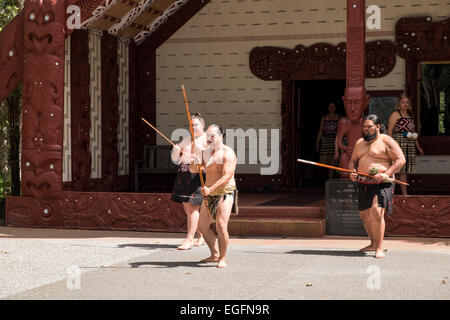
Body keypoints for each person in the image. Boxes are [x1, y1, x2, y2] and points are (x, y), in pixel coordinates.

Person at [349, 114, 406, 259]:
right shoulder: (360, 143)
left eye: (369, 127)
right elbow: (352, 161)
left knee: (376, 211)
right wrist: (352, 172)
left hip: (382, 182)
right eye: (364, 127)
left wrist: (387, 173)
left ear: (378, 127)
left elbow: (401, 160)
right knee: (364, 214)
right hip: (363, 182)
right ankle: (373, 243)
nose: (366, 130)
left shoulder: (387, 141)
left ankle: (379, 248)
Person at [193, 124, 238, 269]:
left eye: (213, 135)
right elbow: (194, 169)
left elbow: (226, 176)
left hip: (225, 192)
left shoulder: (227, 153)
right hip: (209, 192)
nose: (210, 138)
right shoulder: (206, 152)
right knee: (203, 226)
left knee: (220, 225)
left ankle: (223, 258)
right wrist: (195, 159)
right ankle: (214, 254)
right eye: (208, 135)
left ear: (220, 136)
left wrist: (210, 188)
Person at [171, 113, 207, 250]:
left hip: (198, 174)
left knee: (193, 207)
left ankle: (189, 239)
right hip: (183, 173)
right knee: (187, 207)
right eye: (191, 125)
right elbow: (176, 159)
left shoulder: (206, 140)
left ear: (202, 125)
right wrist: (176, 151)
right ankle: (202, 235)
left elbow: (211, 157)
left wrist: (198, 159)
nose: (193, 127)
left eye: (196, 125)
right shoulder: (186, 140)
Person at [387, 94, 424, 195]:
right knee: (395, 168)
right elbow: (389, 132)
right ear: (399, 104)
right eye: (403, 102)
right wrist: (390, 146)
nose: (405, 104)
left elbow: (413, 132)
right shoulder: (395, 114)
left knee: (404, 170)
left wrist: (418, 146)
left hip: (409, 144)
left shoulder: (409, 116)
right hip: (398, 143)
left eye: (407, 102)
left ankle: (404, 194)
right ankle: (389, 193)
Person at [336, 87, 370, 178]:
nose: (352, 108)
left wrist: (362, 150)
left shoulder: (367, 122)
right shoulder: (344, 122)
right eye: (348, 102)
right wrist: (346, 149)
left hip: (362, 155)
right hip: (348, 154)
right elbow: (339, 144)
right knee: (345, 169)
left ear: (366, 101)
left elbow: (371, 141)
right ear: (344, 102)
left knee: (363, 173)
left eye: (357, 103)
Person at [315, 102, 340, 179]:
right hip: (325, 142)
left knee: (333, 161)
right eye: (330, 106)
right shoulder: (324, 117)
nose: (332, 108)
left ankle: (330, 179)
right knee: (324, 162)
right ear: (328, 108)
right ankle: (324, 179)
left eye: (333, 106)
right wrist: (317, 143)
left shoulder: (339, 117)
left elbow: (340, 131)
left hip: (334, 142)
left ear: (335, 108)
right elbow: (320, 130)